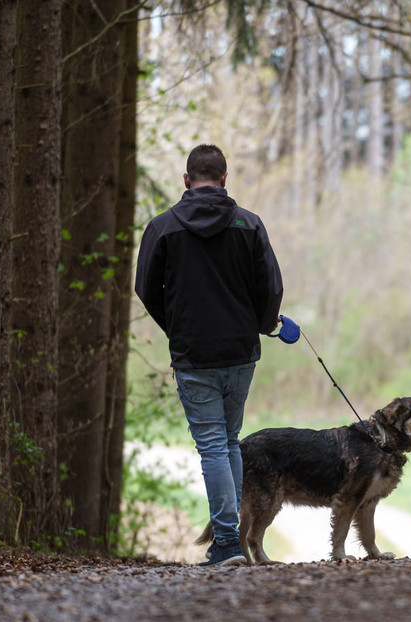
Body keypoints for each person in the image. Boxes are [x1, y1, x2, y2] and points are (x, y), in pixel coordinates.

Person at [135, 144, 284, 566]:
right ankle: (230, 539)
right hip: (240, 352)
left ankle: (226, 544)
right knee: (228, 441)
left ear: (187, 180)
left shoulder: (162, 228)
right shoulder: (250, 225)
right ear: (223, 179)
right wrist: (261, 323)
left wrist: (177, 329)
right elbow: (271, 288)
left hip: (194, 354)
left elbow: (145, 289)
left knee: (215, 446)